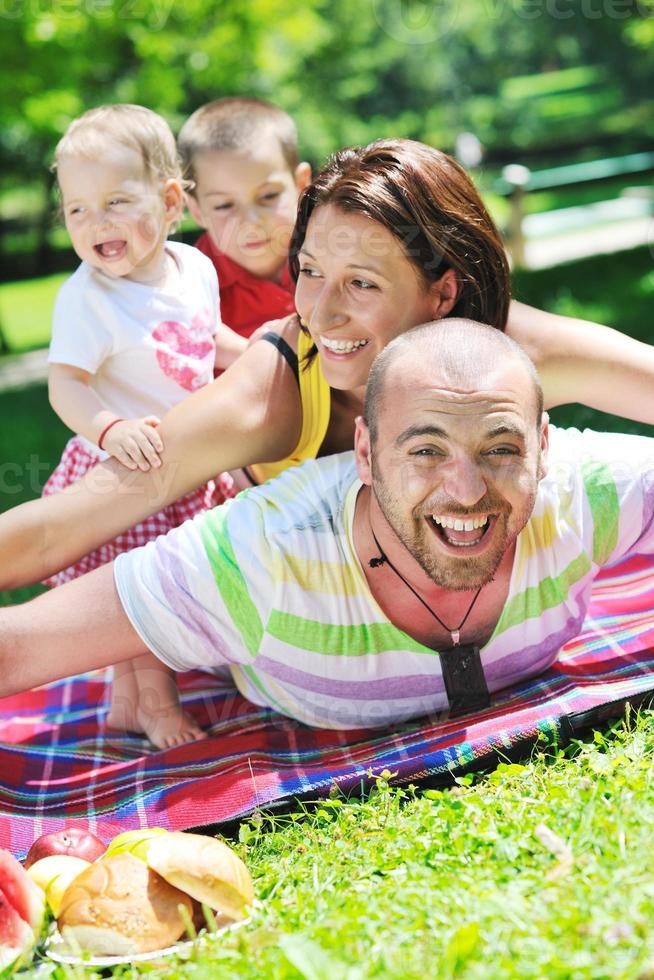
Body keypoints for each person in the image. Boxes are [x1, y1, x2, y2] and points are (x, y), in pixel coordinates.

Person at [3, 138, 654, 624]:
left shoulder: (507, 349)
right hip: (289, 631)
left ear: (443, 292)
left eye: (363, 283)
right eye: (310, 272)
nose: (323, 312)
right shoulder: (278, 384)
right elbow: (58, 529)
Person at [1, 321, 653, 733]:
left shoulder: (580, 491)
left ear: (542, 446)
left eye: (501, 449)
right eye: (425, 451)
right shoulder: (263, 554)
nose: (467, 491)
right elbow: (21, 647)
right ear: (364, 453)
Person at [41, 104, 246, 745]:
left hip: (188, 459)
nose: (94, 222)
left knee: (157, 588)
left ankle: (127, 700)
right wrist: (108, 430)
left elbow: (205, 342)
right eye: (77, 209)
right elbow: (64, 384)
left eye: (115, 202)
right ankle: (156, 704)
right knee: (140, 596)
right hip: (126, 467)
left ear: (168, 202)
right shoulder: (88, 297)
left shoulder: (196, 269)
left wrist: (264, 355)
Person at [178, 97, 311, 343]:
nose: (250, 222)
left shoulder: (339, 259)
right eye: (224, 205)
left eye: (269, 196)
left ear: (301, 185)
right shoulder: (187, 291)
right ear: (196, 210)